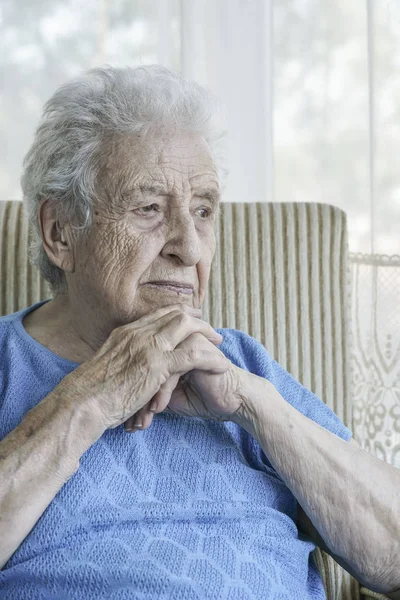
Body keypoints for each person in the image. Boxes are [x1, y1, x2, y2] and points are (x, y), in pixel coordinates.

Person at [0, 66, 399, 600]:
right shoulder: (7, 362)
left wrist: (253, 405)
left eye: (203, 211)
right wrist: (94, 396)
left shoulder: (239, 364)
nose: (188, 247)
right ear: (59, 233)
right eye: (148, 209)